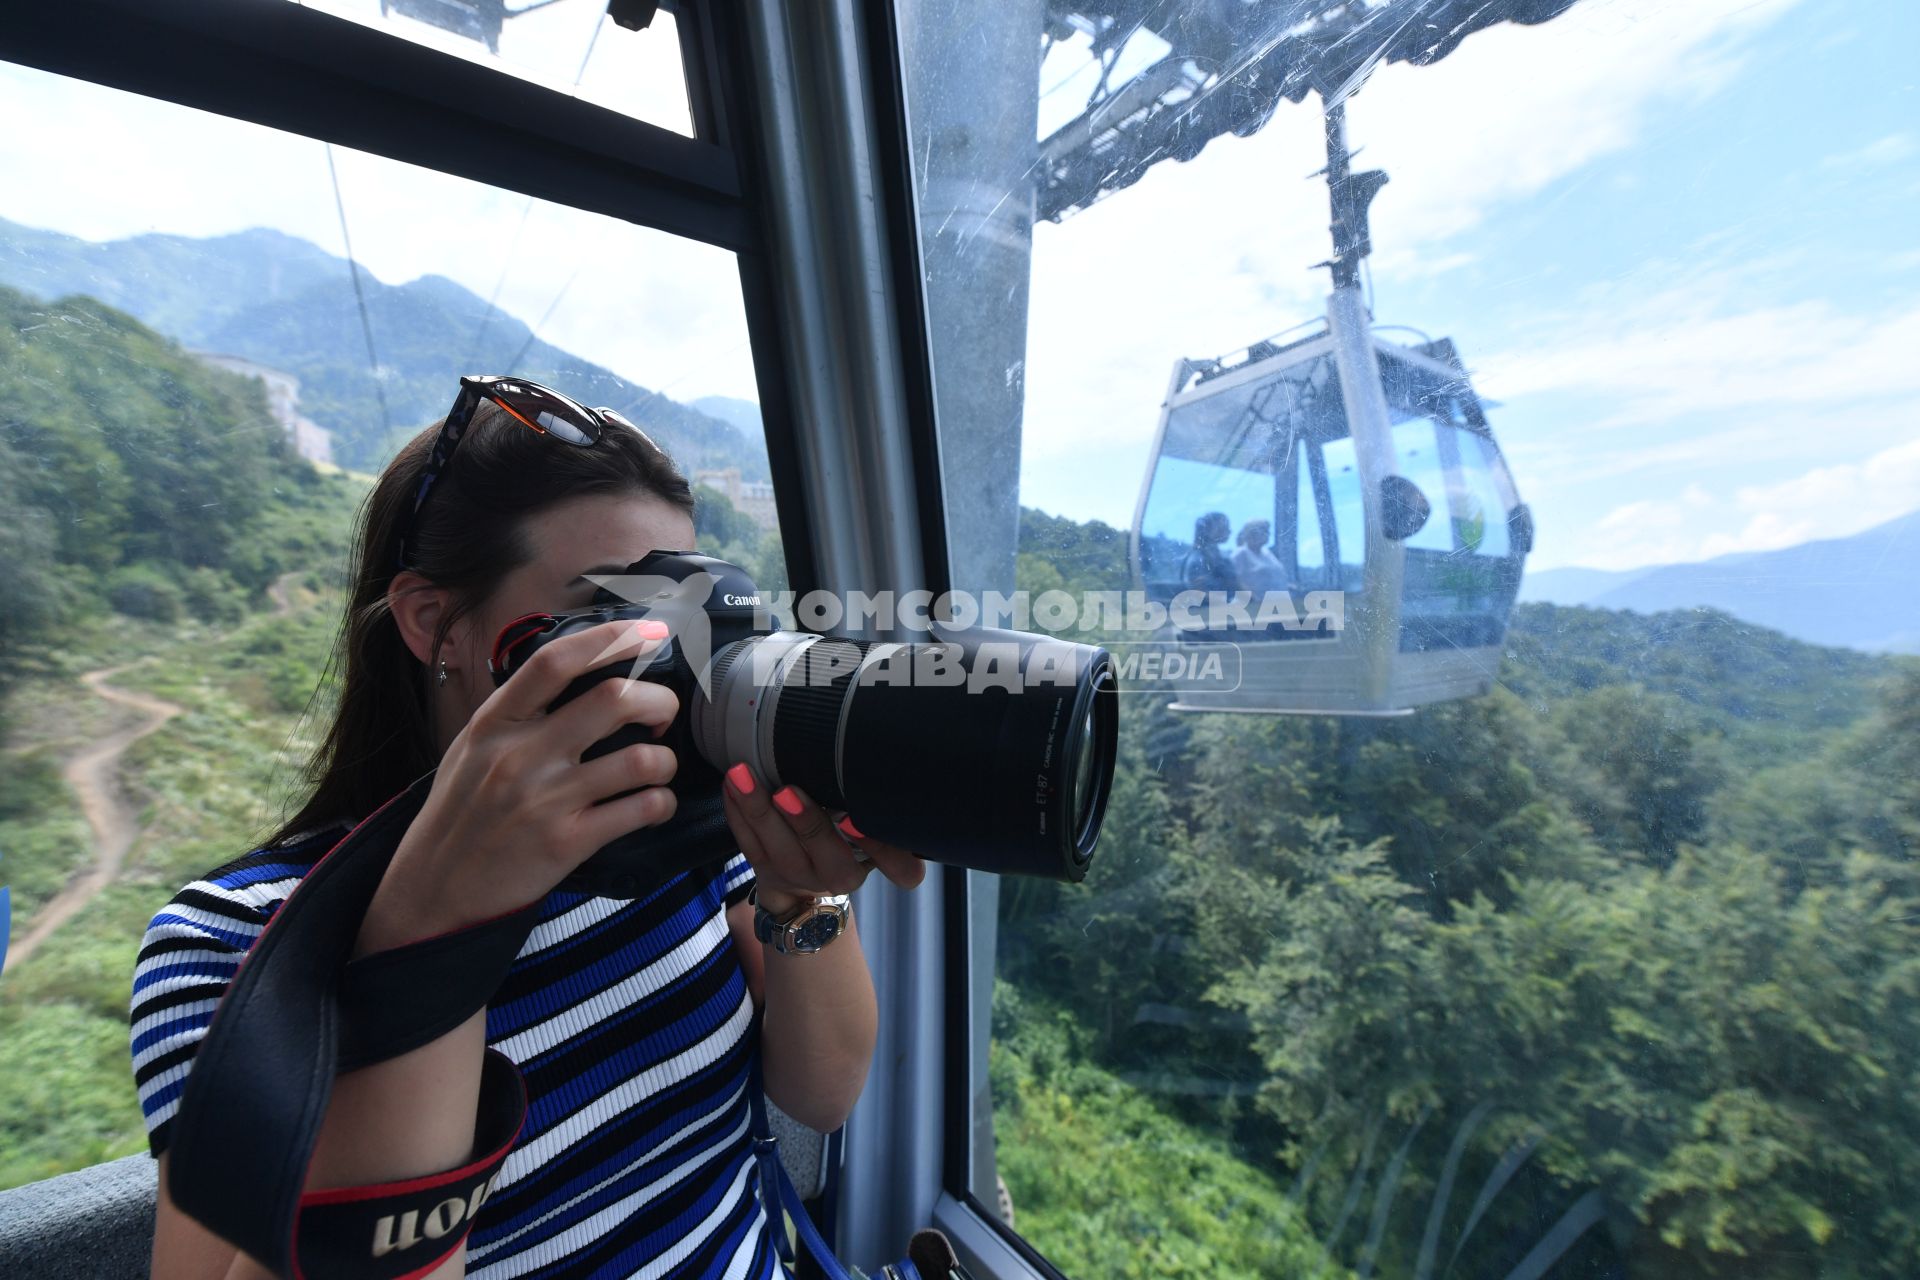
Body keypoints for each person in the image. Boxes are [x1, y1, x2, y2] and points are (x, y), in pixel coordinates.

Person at [130, 379, 926, 1280]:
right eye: (620, 613)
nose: (668, 661)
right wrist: (428, 933)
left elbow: (820, 1096)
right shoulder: (231, 947)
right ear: (437, 625)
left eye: (689, 612)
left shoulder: (680, 832)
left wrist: (797, 895)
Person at [1178, 511, 1237, 595]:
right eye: (1223, 528)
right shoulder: (1198, 558)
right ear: (1207, 530)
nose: (1229, 531)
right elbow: (1198, 590)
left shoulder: (1220, 557)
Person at [1231, 518, 1286, 593]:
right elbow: (1236, 581)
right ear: (1252, 532)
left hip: (1278, 600)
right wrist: (1253, 598)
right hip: (1255, 602)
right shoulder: (1241, 553)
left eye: (1268, 531)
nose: (1268, 534)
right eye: (1265, 530)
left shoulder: (1267, 553)